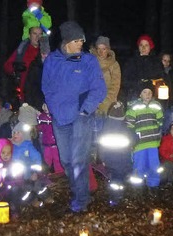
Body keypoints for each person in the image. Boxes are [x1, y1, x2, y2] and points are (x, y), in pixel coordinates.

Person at [42, 21, 106, 213]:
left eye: (82, 40)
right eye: (77, 40)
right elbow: (47, 87)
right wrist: (53, 107)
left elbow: (99, 89)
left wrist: (85, 109)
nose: (81, 44)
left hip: (81, 117)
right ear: (67, 41)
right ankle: (78, 190)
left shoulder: (88, 61)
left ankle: (81, 200)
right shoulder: (53, 61)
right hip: (60, 118)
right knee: (66, 160)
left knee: (78, 159)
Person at [126, 85, 164, 189]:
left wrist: (158, 131)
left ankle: (153, 184)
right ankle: (137, 186)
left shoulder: (156, 106)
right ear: (140, 94)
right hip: (140, 142)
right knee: (139, 164)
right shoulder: (134, 107)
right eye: (145, 92)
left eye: (150, 92)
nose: (148, 95)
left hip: (153, 142)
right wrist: (132, 136)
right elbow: (129, 123)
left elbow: (160, 121)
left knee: (154, 164)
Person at [98, 101, 134, 205]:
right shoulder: (125, 127)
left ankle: (115, 197)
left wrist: (102, 158)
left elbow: (101, 145)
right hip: (123, 160)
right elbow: (132, 140)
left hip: (111, 160)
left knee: (114, 179)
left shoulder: (106, 127)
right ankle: (120, 195)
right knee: (120, 178)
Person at [4, 26, 43, 103]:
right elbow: (7, 66)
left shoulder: (46, 52)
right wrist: (15, 67)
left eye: (40, 34)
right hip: (24, 93)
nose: (37, 37)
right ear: (29, 35)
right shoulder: (22, 51)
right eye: (34, 33)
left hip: (41, 93)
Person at [121, 34, 163, 102]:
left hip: (152, 95)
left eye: (146, 45)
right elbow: (125, 80)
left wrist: (151, 84)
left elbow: (160, 79)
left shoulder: (156, 62)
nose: (143, 48)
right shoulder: (131, 61)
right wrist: (137, 84)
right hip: (135, 95)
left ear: (150, 47)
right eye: (141, 45)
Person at [91, 36, 121, 117]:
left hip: (108, 105)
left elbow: (115, 86)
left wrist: (104, 102)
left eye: (104, 49)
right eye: (99, 49)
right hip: (91, 104)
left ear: (108, 49)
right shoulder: (90, 63)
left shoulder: (114, 65)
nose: (101, 52)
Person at [37, 104, 63, 174]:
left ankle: (59, 173)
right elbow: (40, 128)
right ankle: (46, 173)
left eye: (48, 106)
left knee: (57, 159)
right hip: (46, 143)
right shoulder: (41, 116)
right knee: (47, 158)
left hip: (55, 143)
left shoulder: (56, 115)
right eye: (44, 106)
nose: (46, 108)